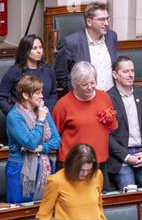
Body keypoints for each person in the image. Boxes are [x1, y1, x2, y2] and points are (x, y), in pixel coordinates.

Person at [36, 144, 109, 220]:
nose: (85, 173)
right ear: (72, 165)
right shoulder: (57, 180)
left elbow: (98, 205)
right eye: (82, 170)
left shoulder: (97, 175)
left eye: (88, 170)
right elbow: (44, 213)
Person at [52, 61, 118, 191]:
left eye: (92, 83)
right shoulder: (63, 105)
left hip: (99, 161)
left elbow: (111, 127)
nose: (89, 87)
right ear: (75, 84)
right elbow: (54, 135)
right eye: (84, 84)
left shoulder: (104, 97)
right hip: (72, 164)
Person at [107, 56, 142, 190]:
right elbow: (106, 135)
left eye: (132, 71)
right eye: (125, 71)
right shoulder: (107, 98)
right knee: (130, 193)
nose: (130, 75)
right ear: (115, 74)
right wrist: (126, 157)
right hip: (121, 158)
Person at [5, 75, 60, 204]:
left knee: (43, 209)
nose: (42, 96)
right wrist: (40, 121)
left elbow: (56, 140)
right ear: (25, 95)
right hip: (20, 170)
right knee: (21, 212)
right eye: (37, 93)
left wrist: (41, 148)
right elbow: (30, 142)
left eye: (41, 92)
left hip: (44, 168)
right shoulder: (14, 116)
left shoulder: (43, 111)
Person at [54, 2, 118, 92]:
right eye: (101, 20)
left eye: (107, 19)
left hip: (110, 97)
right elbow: (60, 74)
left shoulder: (112, 37)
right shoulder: (70, 43)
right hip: (84, 99)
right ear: (89, 22)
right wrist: (77, 93)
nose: (106, 23)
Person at [0, 34, 58, 116]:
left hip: (45, 114)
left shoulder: (48, 69)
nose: (39, 51)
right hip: (22, 117)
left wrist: (48, 110)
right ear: (25, 51)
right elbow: (1, 97)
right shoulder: (14, 71)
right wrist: (13, 116)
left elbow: (54, 94)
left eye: (40, 47)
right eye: (35, 48)